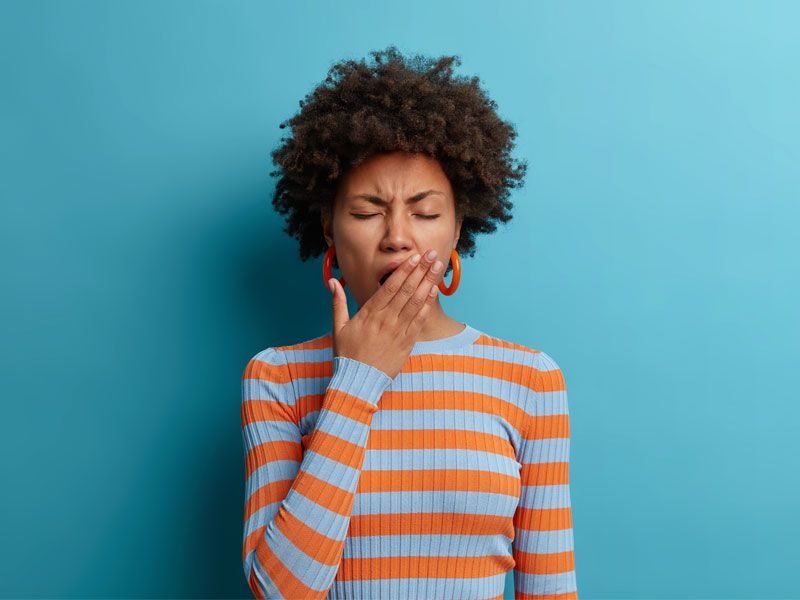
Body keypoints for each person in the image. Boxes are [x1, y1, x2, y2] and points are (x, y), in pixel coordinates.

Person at [241, 46, 578, 600]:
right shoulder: (277, 377)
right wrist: (357, 380)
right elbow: (280, 592)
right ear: (328, 227)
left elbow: (550, 590)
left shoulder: (531, 380)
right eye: (367, 212)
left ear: (456, 229)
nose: (397, 235)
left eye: (424, 213)